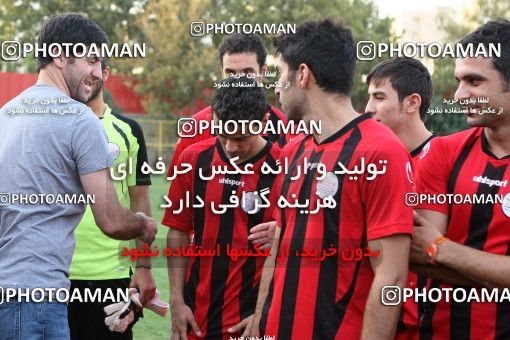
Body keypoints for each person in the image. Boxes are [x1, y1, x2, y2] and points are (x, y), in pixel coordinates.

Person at [251, 19, 414, 340]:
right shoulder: (293, 148)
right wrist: (259, 322)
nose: (276, 87)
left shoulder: (380, 151)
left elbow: (391, 276)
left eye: (281, 75)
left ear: (302, 74)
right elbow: (278, 246)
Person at [0, 13, 156, 339]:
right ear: (59, 55)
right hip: (38, 300)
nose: (99, 73)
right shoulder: (79, 119)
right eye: (92, 60)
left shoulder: (6, 116)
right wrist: (144, 225)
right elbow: (112, 221)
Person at [411, 19, 510, 339]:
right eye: (459, 81)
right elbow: (419, 257)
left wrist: (442, 247)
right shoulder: (443, 152)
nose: (459, 94)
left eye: (474, 81)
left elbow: (431, 247)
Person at [163, 76, 281, 339]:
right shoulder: (193, 159)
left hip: (249, 321)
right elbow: (177, 231)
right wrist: (176, 301)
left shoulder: (286, 168)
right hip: (194, 318)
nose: (230, 147)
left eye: (240, 138)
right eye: (222, 134)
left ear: (263, 122)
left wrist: (264, 313)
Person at [67, 59, 156, 340]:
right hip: (56, 275)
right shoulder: (52, 126)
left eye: (94, 66)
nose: (87, 75)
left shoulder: (128, 130)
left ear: (104, 73)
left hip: (112, 277)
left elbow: (139, 202)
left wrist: (143, 267)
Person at [365, 57, 434, 339]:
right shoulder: (371, 163)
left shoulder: (447, 160)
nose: (368, 109)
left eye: (379, 97)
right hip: (378, 319)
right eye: (369, 97)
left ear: (412, 103)